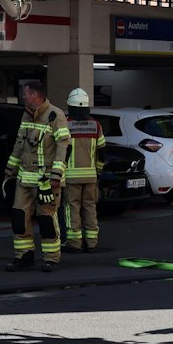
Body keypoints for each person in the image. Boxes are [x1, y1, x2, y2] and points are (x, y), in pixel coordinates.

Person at [4, 80, 70, 272]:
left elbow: (63, 147)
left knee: (46, 220)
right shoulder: (26, 115)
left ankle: (51, 259)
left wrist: (56, 175)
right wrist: (10, 168)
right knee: (18, 217)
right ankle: (24, 257)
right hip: (24, 179)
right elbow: (19, 144)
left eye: (25, 93)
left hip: (46, 182)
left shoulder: (55, 115)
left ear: (35, 95)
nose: (23, 96)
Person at [61, 88, 103, 253]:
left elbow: (62, 150)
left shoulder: (66, 124)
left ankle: (74, 243)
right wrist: (98, 172)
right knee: (90, 208)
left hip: (71, 178)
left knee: (72, 208)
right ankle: (92, 242)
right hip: (91, 177)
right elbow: (103, 151)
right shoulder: (96, 125)